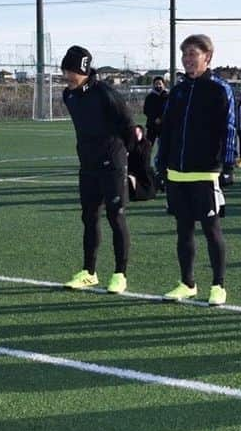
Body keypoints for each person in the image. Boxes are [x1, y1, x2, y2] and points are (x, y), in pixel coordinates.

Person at [156, 34, 238, 306]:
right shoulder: (178, 90)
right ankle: (187, 283)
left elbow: (228, 128)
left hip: (205, 172)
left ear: (208, 57)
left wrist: (227, 166)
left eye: (193, 54)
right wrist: (161, 164)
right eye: (185, 55)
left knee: (212, 229)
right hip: (177, 172)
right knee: (183, 230)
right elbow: (167, 128)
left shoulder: (219, 88)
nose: (188, 59)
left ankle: (218, 285)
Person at [61, 45, 134, 294]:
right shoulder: (68, 96)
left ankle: (120, 274)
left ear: (84, 70)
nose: (68, 76)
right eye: (65, 71)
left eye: (72, 71)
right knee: (89, 218)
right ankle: (88, 272)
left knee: (116, 217)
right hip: (88, 166)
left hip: (112, 164)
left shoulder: (105, 93)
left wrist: (126, 158)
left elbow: (128, 125)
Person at [126, 125, 157, 202]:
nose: (137, 134)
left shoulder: (146, 145)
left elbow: (144, 162)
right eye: (135, 133)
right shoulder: (130, 145)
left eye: (139, 132)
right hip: (133, 171)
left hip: (143, 174)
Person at [143, 76, 168, 144]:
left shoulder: (168, 96)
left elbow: (169, 110)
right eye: (156, 84)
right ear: (153, 85)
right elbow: (146, 110)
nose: (158, 85)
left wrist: (162, 119)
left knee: (164, 146)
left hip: (164, 126)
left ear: (163, 84)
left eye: (160, 83)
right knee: (148, 145)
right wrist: (154, 118)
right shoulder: (149, 97)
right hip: (152, 125)